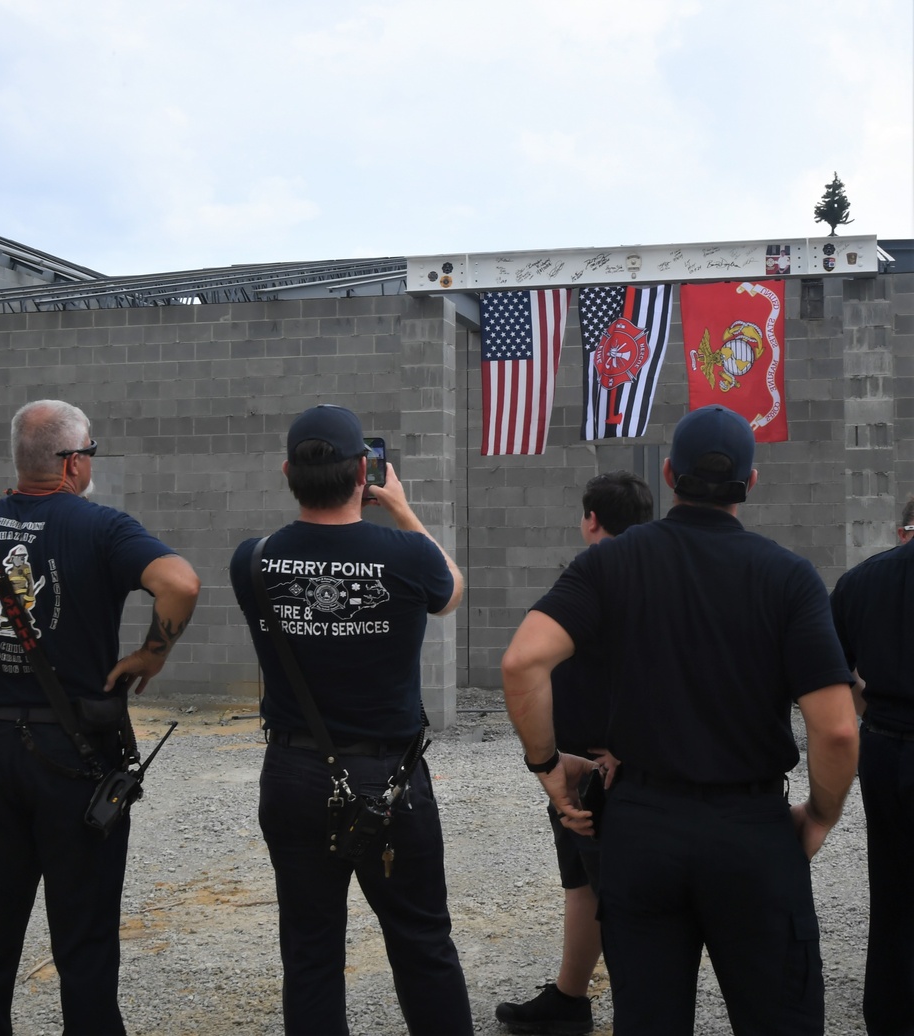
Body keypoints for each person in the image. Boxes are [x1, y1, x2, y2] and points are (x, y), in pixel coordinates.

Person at [501, 404, 859, 1036]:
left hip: (643, 828)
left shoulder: (610, 563)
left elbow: (523, 661)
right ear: (750, 485)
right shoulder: (789, 577)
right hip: (750, 830)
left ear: (669, 475)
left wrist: (549, 767)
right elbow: (834, 729)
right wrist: (823, 813)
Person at [0, 399, 200, 1036]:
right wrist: (151, 655)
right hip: (75, 752)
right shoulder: (102, 529)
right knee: (86, 937)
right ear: (72, 464)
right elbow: (181, 584)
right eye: (89, 454)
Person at [229, 403, 473, 1036]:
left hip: (293, 771)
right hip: (387, 778)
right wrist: (399, 506)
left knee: (310, 951)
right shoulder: (406, 554)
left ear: (287, 472)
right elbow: (451, 590)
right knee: (421, 941)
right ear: (365, 472)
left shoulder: (251, 561)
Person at [496, 471, 653, 1035]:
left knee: (620, 896)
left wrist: (546, 762)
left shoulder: (593, 577)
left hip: (604, 770)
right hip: (595, 767)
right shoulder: (660, 576)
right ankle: (569, 995)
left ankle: (638, 1011)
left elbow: (522, 663)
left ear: (591, 519)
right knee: (583, 883)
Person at [830, 492, 914, 1036]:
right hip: (886, 736)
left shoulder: (863, 581)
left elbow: (830, 672)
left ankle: (892, 1018)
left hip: (887, 744)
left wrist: (870, 704)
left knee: (893, 887)